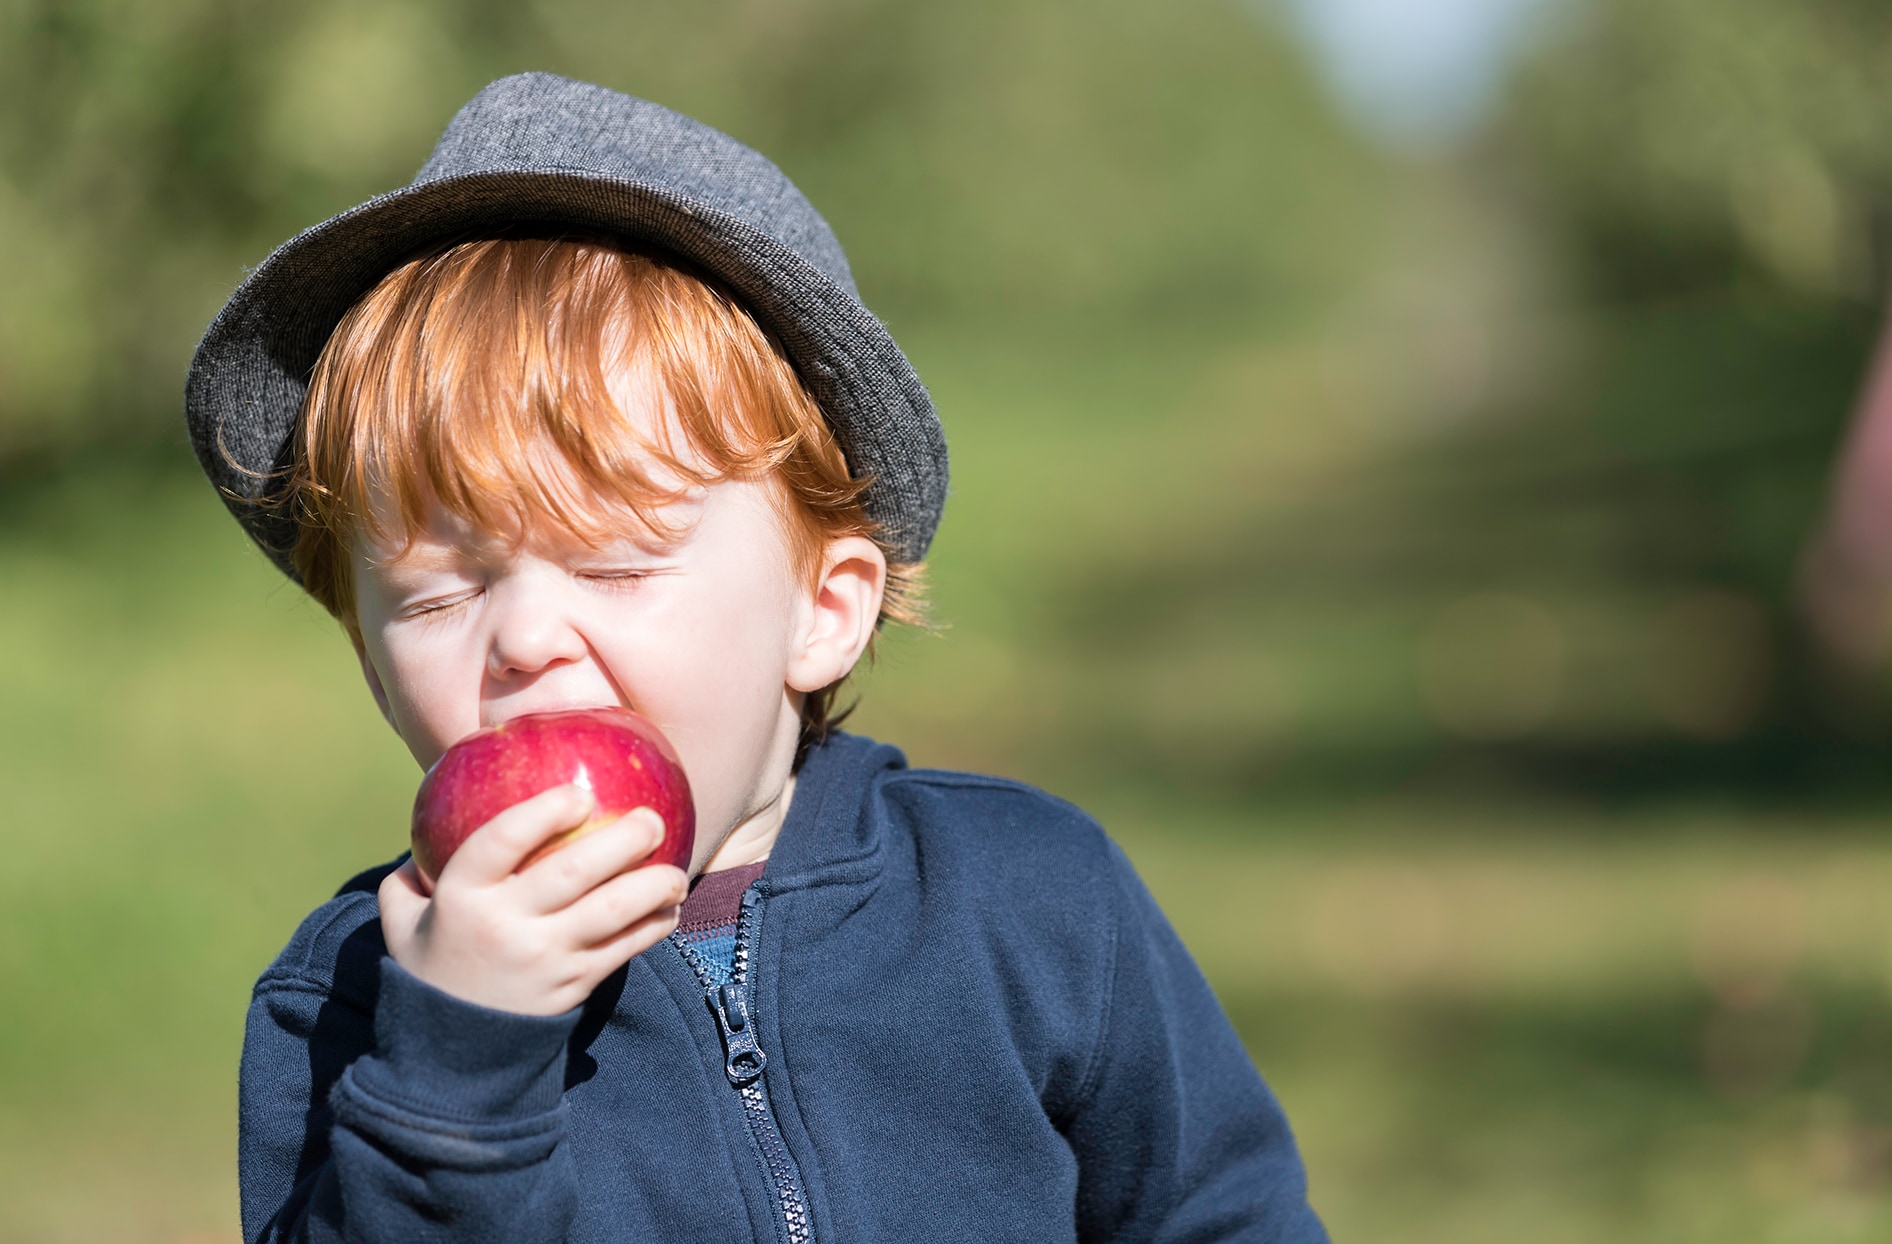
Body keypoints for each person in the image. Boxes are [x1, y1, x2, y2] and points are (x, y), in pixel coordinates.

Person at [188, 73, 1327, 1243]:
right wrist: (458, 1067)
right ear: (371, 665)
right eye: (438, 591)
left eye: (616, 563)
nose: (524, 638)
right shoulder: (351, 1002)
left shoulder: (1028, 902)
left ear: (821, 610)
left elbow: (1221, 1213)